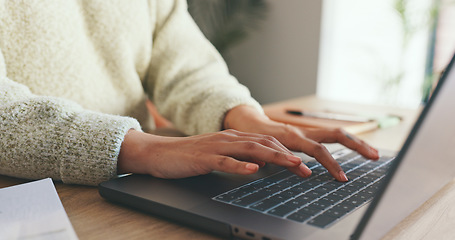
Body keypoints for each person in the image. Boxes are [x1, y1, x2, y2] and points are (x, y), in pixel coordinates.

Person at [0, 0, 378, 186]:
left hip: (133, 183)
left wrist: (247, 120)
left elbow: (186, 67)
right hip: (30, 199)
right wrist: (144, 148)